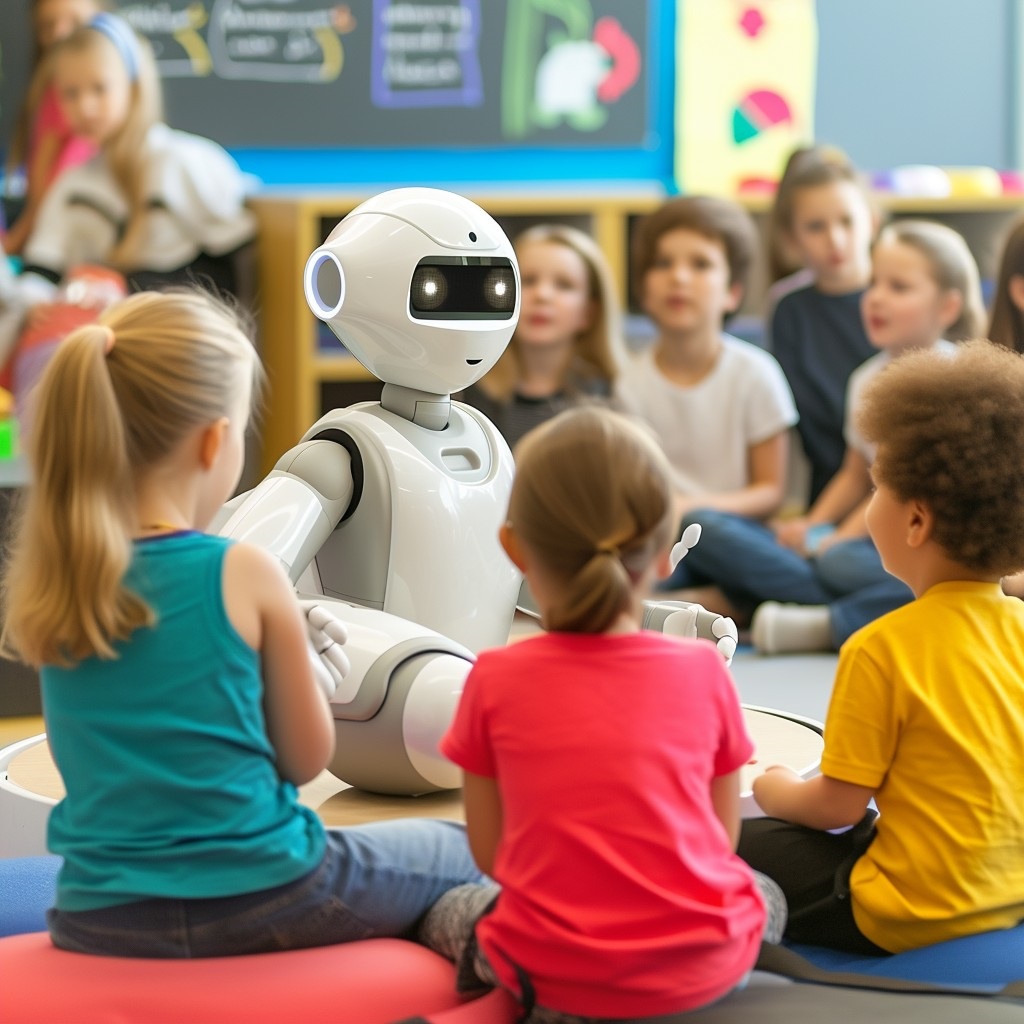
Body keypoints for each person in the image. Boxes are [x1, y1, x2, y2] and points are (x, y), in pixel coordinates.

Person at [0, 289, 482, 958]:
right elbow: (306, 759)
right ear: (215, 442)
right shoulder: (244, 573)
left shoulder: (61, 583)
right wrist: (309, 673)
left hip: (97, 914)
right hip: (268, 894)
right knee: (467, 850)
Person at [418, 406, 787, 1022]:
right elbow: (721, 841)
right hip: (702, 972)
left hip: (554, 979)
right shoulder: (702, 671)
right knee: (765, 892)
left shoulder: (493, 678)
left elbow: (492, 855)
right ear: (665, 554)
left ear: (513, 548)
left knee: (444, 906)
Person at [739, 340, 1024, 956]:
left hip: (904, 913)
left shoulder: (881, 647)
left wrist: (774, 786)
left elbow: (835, 807)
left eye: (876, 488)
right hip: (1009, 894)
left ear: (916, 522)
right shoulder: (1021, 628)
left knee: (732, 837)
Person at [674, 219, 986, 652]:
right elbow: (855, 475)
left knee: (851, 563)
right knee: (703, 527)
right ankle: (804, 605)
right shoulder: (864, 381)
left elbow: (904, 491)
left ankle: (820, 619)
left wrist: (836, 540)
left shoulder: (956, 381)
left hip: (932, 549)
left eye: (899, 287)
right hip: (869, 548)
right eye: (874, 282)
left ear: (948, 308)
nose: (876, 297)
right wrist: (811, 525)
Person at [4, 13, 256, 417]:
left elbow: (233, 274)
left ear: (134, 86)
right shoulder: (71, 185)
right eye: (70, 93)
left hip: (168, 345)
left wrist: (128, 289)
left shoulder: (187, 164)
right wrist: (35, 302)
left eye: (99, 89)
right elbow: (42, 268)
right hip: (83, 338)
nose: (85, 106)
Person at [614, 195, 798, 592]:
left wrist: (694, 507)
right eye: (664, 264)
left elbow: (771, 491)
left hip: (736, 538)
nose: (679, 277)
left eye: (700, 264)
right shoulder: (628, 384)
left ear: (732, 292)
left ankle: (754, 601)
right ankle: (727, 606)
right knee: (631, 578)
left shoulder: (756, 373)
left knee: (708, 529)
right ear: (644, 290)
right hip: (667, 538)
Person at [764, 145, 878, 504]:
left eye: (847, 221)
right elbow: (812, 425)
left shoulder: (903, 292)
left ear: (871, 221)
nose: (835, 240)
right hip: (832, 494)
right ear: (791, 238)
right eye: (816, 227)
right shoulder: (789, 310)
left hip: (906, 485)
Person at [458, 223, 626, 450]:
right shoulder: (463, 395)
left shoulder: (612, 401)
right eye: (528, 281)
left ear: (589, 312)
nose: (542, 295)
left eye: (564, 285)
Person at [1, 0, 108, 256]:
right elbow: (42, 183)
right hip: (54, 235)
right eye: (47, 26)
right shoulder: (49, 89)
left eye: (74, 21)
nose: (60, 33)